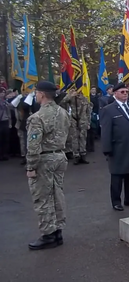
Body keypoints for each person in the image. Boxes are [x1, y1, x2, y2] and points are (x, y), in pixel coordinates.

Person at [25, 81, 70, 250]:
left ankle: (48, 234)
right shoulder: (63, 112)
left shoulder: (37, 117)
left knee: (42, 197)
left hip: (44, 159)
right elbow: (69, 134)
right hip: (60, 156)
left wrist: (31, 167)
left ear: (42, 94)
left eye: (36, 92)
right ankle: (58, 230)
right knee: (57, 193)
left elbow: (33, 145)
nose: (35, 95)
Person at [100, 82, 129, 211]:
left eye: (127, 92)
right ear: (115, 94)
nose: (125, 94)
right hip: (117, 149)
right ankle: (116, 201)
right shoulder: (109, 110)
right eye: (122, 92)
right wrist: (107, 149)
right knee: (117, 176)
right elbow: (106, 131)